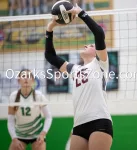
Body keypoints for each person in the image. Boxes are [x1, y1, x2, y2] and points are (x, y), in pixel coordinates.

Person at [45, 4, 113, 150]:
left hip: (99, 121)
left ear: (97, 52)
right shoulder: (74, 69)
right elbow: (50, 56)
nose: (85, 45)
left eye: (89, 45)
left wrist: (81, 13)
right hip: (79, 125)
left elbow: (99, 33)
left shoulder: (100, 63)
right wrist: (50, 29)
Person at [7, 69, 52, 150]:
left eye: (28, 76)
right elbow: (10, 120)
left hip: (37, 134)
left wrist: (43, 134)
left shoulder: (39, 96)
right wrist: (14, 138)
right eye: (23, 76)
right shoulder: (13, 96)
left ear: (33, 80)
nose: (26, 78)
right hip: (19, 134)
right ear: (18, 80)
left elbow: (48, 117)